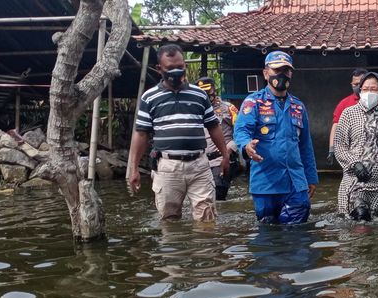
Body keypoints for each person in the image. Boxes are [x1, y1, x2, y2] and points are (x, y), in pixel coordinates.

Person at [128, 44, 230, 222]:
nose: (176, 71)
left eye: (179, 67)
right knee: (169, 220)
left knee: (207, 219)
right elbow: (141, 133)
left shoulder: (199, 95)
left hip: (199, 165)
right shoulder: (149, 98)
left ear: (185, 66)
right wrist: (133, 168)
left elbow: (214, 126)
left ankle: (205, 249)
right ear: (159, 69)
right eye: (170, 68)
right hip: (167, 166)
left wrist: (225, 156)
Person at [234, 51, 318, 225]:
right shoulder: (253, 103)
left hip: (296, 182)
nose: (281, 75)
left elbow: (305, 146)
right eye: (277, 70)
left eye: (286, 71)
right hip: (266, 183)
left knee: (298, 237)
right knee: (269, 237)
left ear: (291, 74)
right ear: (266, 73)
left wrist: (311, 178)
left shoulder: (298, 106)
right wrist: (246, 146)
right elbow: (241, 131)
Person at [333, 72, 378, 221]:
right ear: (360, 90)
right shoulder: (348, 114)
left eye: (373, 89)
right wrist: (354, 164)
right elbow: (339, 145)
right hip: (357, 180)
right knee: (361, 219)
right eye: (366, 88)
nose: (369, 92)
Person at [327, 68, 378, 165]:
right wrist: (332, 148)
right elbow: (336, 126)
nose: (357, 86)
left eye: (359, 84)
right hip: (353, 153)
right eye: (354, 84)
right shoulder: (345, 104)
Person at [195, 76, 240, 200]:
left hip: (221, 159)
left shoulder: (228, 108)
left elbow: (240, 131)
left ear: (214, 89)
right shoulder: (194, 110)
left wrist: (230, 149)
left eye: (207, 90)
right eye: (201, 91)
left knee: (217, 195)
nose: (205, 94)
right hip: (200, 161)